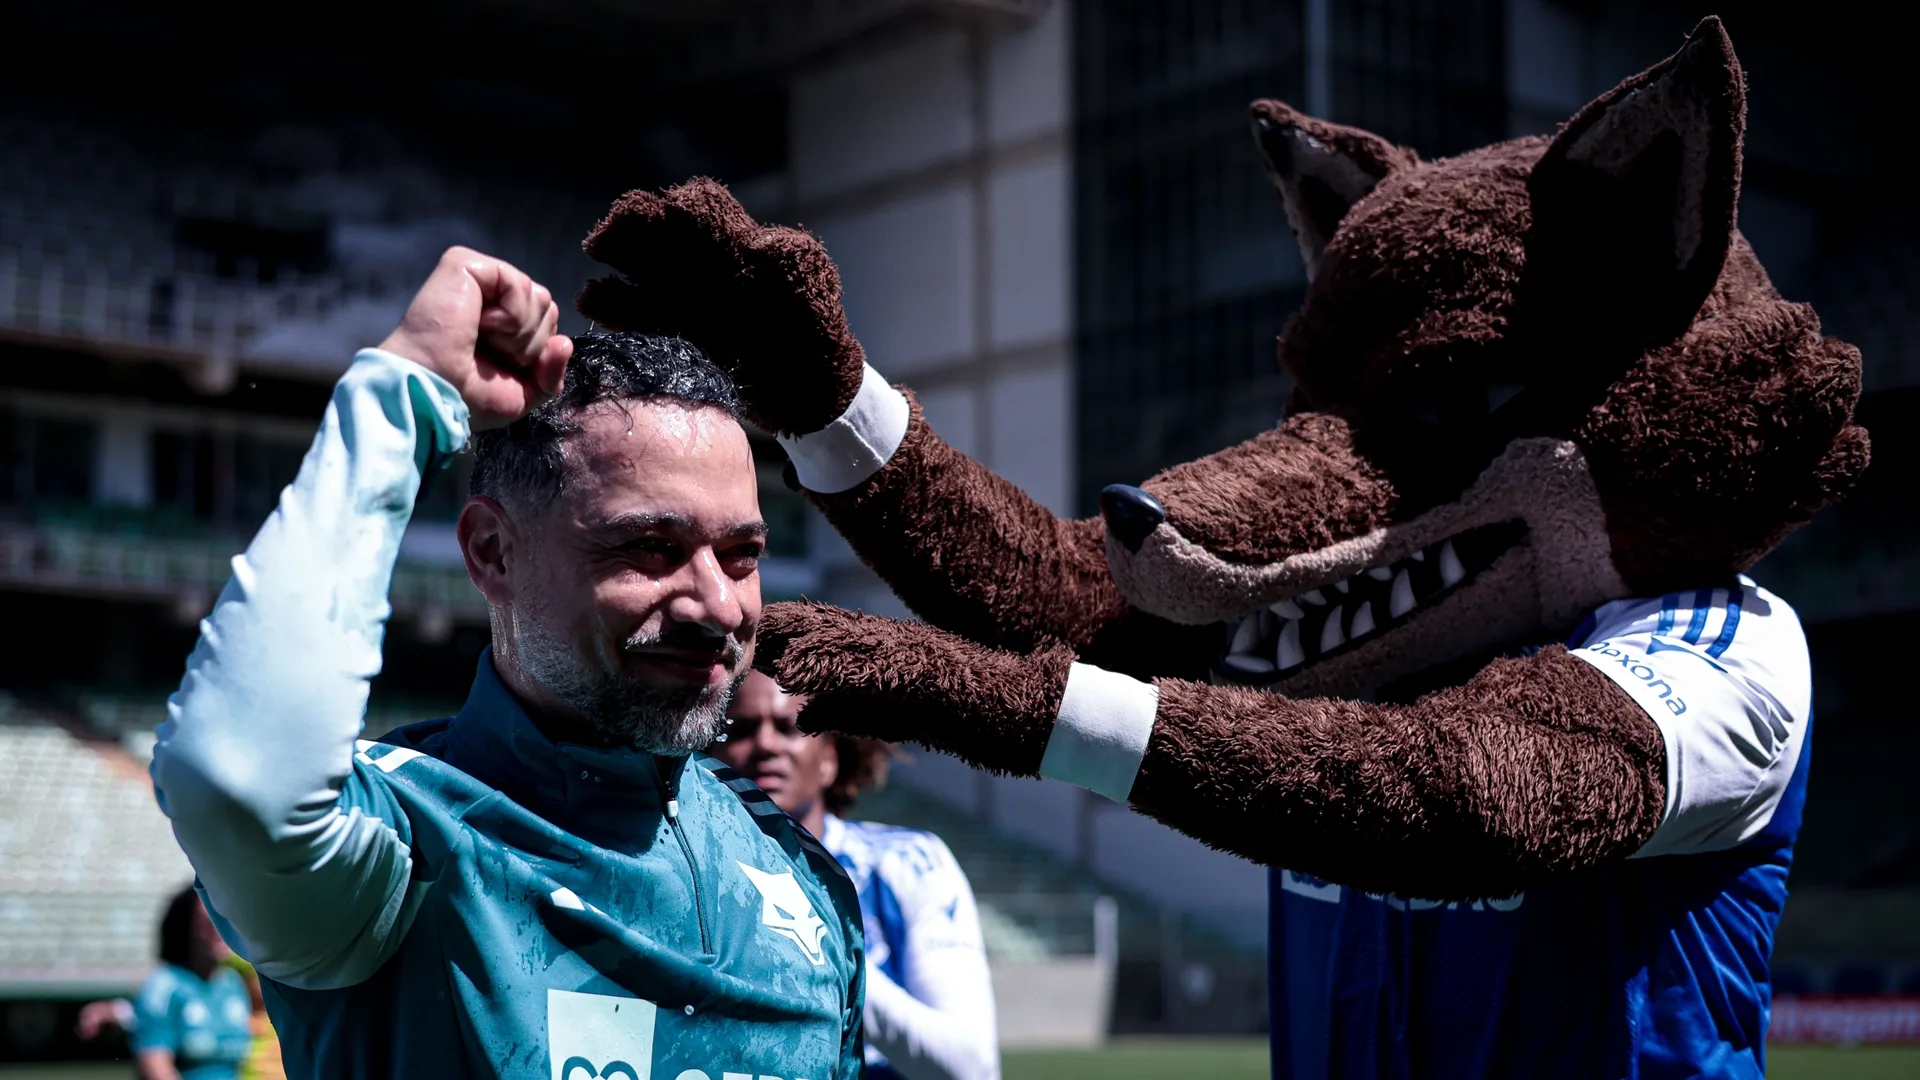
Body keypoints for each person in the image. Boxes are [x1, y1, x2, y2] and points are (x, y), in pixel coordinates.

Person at [149, 248, 865, 1079]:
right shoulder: (404, 845)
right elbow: (236, 783)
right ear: (492, 551)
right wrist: (403, 391)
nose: (716, 605)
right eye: (649, 547)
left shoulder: (800, 872)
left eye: (742, 556)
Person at [709, 672, 998, 1080]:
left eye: (791, 727)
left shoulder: (910, 862)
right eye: (741, 729)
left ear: (829, 758)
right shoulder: (688, 874)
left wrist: (826, 956)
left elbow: (971, 1067)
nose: (766, 744)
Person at [122, 886, 255, 1080]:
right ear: (187, 926)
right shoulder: (164, 985)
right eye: (210, 922)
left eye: (226, 920)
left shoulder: (232, 983)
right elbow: (155, 1064)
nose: (220, 930)